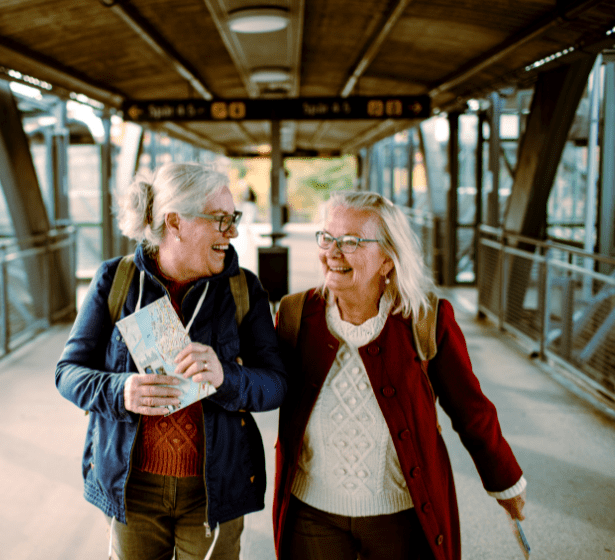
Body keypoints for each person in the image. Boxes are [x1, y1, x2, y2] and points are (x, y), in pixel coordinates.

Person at [272, 191, 526, 560]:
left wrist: (505, 481)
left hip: (401, 516)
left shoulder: (425, 319)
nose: (332, 252)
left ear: (387, 261)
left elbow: (470, 409)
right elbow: (263, 385)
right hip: (312, 515)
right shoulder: (296, 315)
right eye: (327, 237)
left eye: (352, 241)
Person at [55, 162, 288, 560]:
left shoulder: (243, 288)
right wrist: (119, 389)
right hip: (131, 492)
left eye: (233, 219)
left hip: (213, 492)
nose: (231, 232)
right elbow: (68, 373)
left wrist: (226, 378)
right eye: (220, 220)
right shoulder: (116, 280)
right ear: (176, 222)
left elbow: (275, 384)